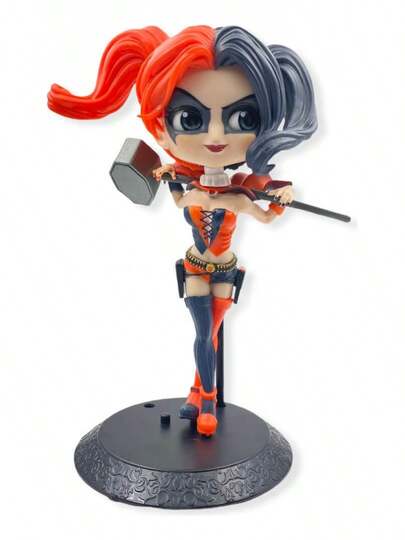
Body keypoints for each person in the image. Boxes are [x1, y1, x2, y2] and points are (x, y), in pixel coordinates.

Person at [48, 24, 317, 436]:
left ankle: (199, 392)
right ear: (161, 123)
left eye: (243, 118)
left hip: (224, 267)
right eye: (190, 118)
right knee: (204, 334)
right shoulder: (192, 191)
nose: (215, 136)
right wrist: (171, 177)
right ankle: (206, 400)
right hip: (195, 265)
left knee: (210, 334)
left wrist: (280, 199)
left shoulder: (238, 193)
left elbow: (264, 212)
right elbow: (178, 201)